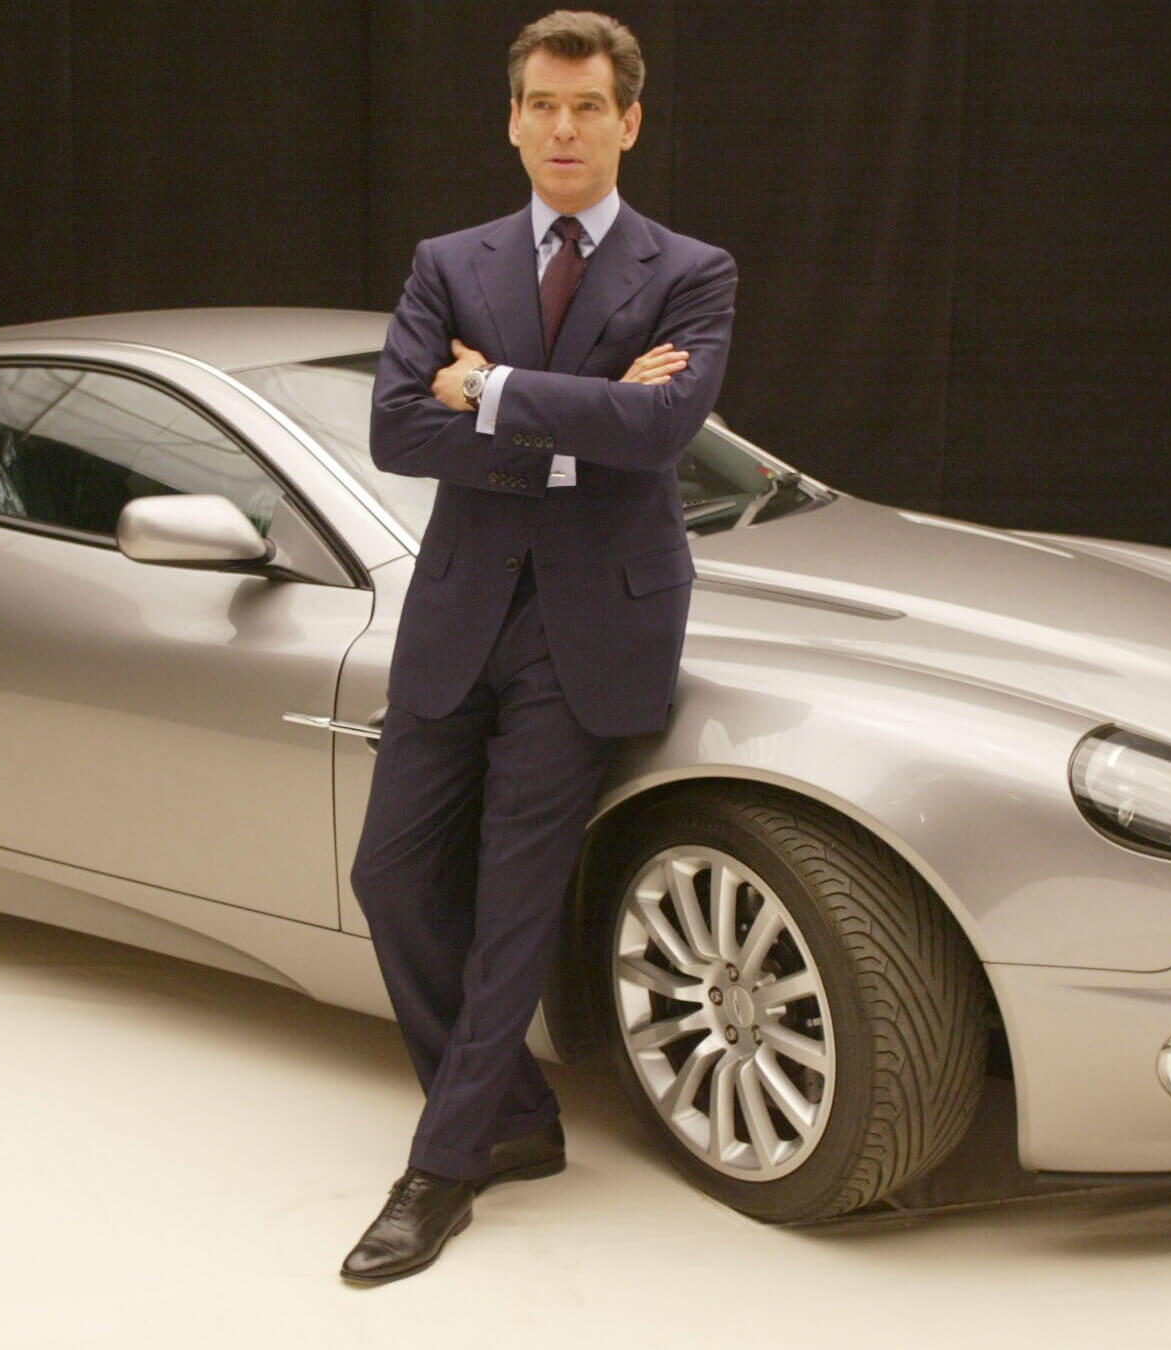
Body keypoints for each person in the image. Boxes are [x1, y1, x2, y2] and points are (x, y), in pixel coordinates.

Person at [341, 9, 736, 1285]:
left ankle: (442, 1168)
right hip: (459, 613)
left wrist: (493, 389)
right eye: (542, 106)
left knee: (514, 900)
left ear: (631, 120)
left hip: (594, 629)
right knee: (394, 879)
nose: (564, 128)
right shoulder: (449, 261)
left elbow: (665, 429)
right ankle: (509, 1112)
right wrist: (585, 421)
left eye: (589, 107)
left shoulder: (690, 269)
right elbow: (398, 431)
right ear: (514, 118)